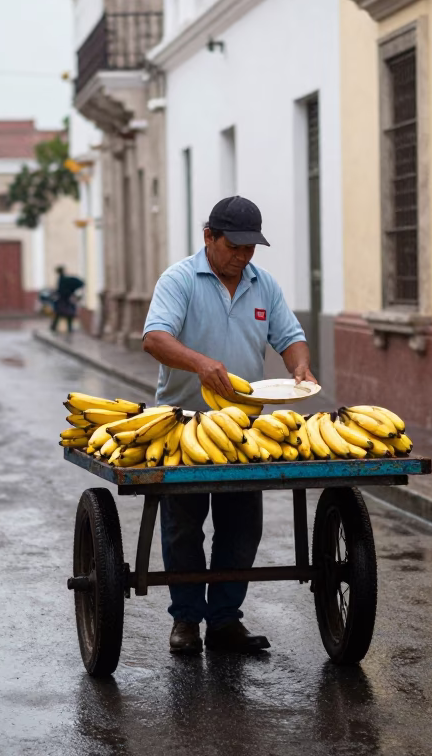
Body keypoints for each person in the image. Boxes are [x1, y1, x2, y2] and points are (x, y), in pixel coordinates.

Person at [142, 196, 317, 655]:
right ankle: (185, 621)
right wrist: (199, 363)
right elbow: (155, 338)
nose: (242, 256)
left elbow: (291, 337)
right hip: (184, 424)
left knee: (241, 527)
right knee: (184, 527)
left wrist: (301, 368)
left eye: (250, 248)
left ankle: (224, 620)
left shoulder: (264, 286)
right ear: (209, 238)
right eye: (234, 246)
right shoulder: (179, 279)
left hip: (242, 428)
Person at [51, 266, 84, 333]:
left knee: (64, 313)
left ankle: (63, 327)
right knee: (64, 313)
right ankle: (57, 327)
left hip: (65, 299)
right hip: (66, 299)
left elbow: (61, 290)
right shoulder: (63, 279)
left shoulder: (64, 279)